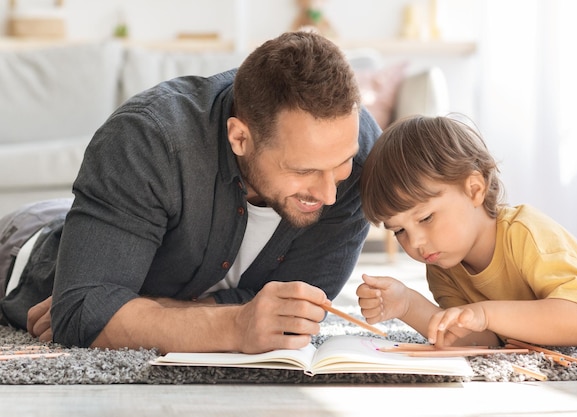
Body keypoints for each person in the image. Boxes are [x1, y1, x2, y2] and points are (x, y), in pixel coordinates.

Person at [0, 30, 382, 354]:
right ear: (240, 137)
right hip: (24, 248)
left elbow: (294, 314)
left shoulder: (361, 160)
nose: (330, 193)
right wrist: (234, 325)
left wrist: (132, 308)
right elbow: (82, 313)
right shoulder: (148, 139)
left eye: (340, 164)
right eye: (303, 170)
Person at [356, 114, 577, 348]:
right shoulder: (443, 265)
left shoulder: (525, 232)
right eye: (399, 230)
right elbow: (480, 338)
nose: (415, 242)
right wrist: (408, 305)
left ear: (474, 189)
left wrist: (485, 313)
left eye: (425, 218)